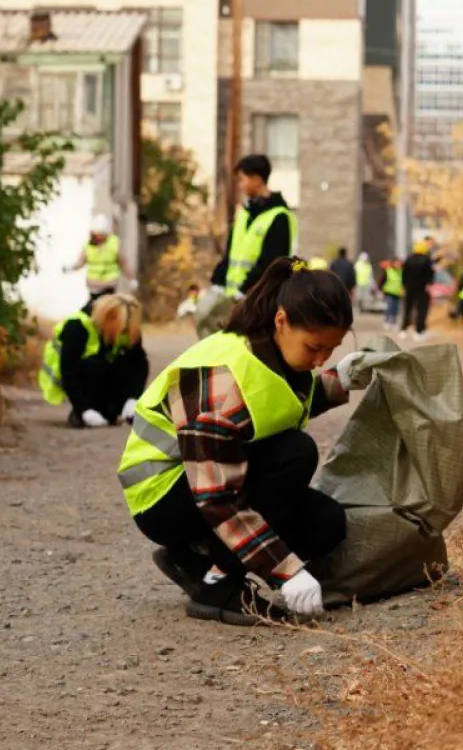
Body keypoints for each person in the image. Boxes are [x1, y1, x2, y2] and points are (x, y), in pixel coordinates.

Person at [118, 258, 372, 624]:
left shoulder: (271, 349)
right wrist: (286, 571)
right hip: (163, 496)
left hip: (200, 484)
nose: (320, 361)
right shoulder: (222, 376)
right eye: (314, 347)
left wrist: (341, 380)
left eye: (329, 351)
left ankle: (192, 558)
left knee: (326, 523)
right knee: (295, 453)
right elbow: (217, 498)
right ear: (281, 320)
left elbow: (277, 405)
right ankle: (219, 586)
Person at [38, 294, 149, 429]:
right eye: (122, 329)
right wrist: (84, 409)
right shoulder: (77, 327)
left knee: (128, 361)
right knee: (95, 365)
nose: (123, 333)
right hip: (82, 381)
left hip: (105, 379)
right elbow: (68, 372)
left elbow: (139, 364)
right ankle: (85, 412)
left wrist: (133, 398)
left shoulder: (127, 326)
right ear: (108, 319)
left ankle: (118, 408)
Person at [212, 154, 295, 296]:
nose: (239, 186)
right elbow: (229, 254)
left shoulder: (279, 217)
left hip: (258, 301)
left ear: (256, 180)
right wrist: (217, 281)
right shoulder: (243, 214)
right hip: (235, 300)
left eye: (242, 180)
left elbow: (271, 264)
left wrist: (245, 290)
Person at [65, 213, 134, 304]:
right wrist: (70, 268)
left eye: (100, 235)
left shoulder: (113, 243)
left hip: (109, 285)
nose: (98, 237)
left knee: (106, 308)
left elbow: (123, 262)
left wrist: (131, 278)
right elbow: (81, 261)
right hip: (94, 285)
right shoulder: (88, 246)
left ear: (105, 234)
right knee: (95, 309)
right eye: (95, 234)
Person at [399, 240, 435, 340]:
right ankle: (419, 331)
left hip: (409, 288)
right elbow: (430, 274)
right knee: (421, 310)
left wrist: (404, 285)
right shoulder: (427, 260)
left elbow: (403, 274)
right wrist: (429, 284)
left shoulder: (408, 259)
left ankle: (403, 330)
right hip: (422, 289)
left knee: (408, 309)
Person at [381, 258, 404, 331]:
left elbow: (403, 282)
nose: (398, 265)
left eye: (399, 263)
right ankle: (387, 321)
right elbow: (382, 281)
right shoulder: (388, 271)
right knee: (389, 307)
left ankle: (394, 322)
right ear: (393, 263)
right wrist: (382, 290)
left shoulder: (401, 271)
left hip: (397, 293)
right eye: (396, 263)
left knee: (396, 308)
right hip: (389, 292)